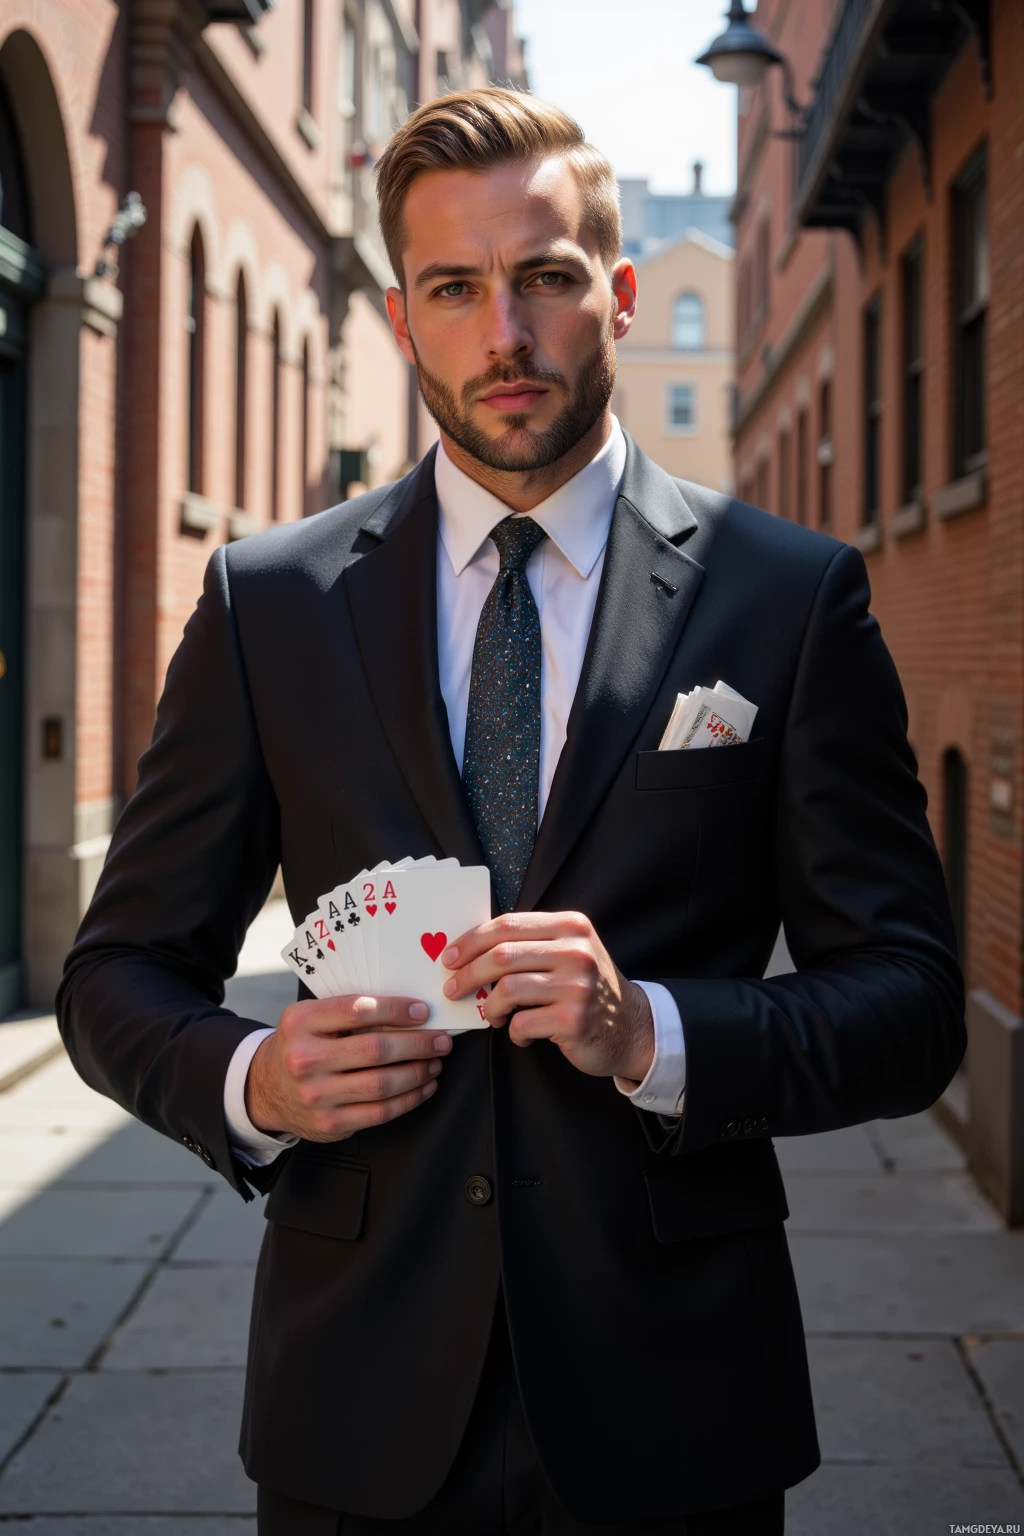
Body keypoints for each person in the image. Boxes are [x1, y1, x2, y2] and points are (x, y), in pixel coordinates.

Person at [57, 88, 965, 1536]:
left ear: (613, 295)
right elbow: (114, 978)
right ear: (404, 321)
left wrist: (650, 1031)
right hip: (355, 1396)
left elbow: (915, 1007)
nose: (506, 334)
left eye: (543, 278)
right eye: (454, 289)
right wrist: (254, 1085)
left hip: (677, 1396)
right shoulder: (268, 605)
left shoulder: (788, 597)